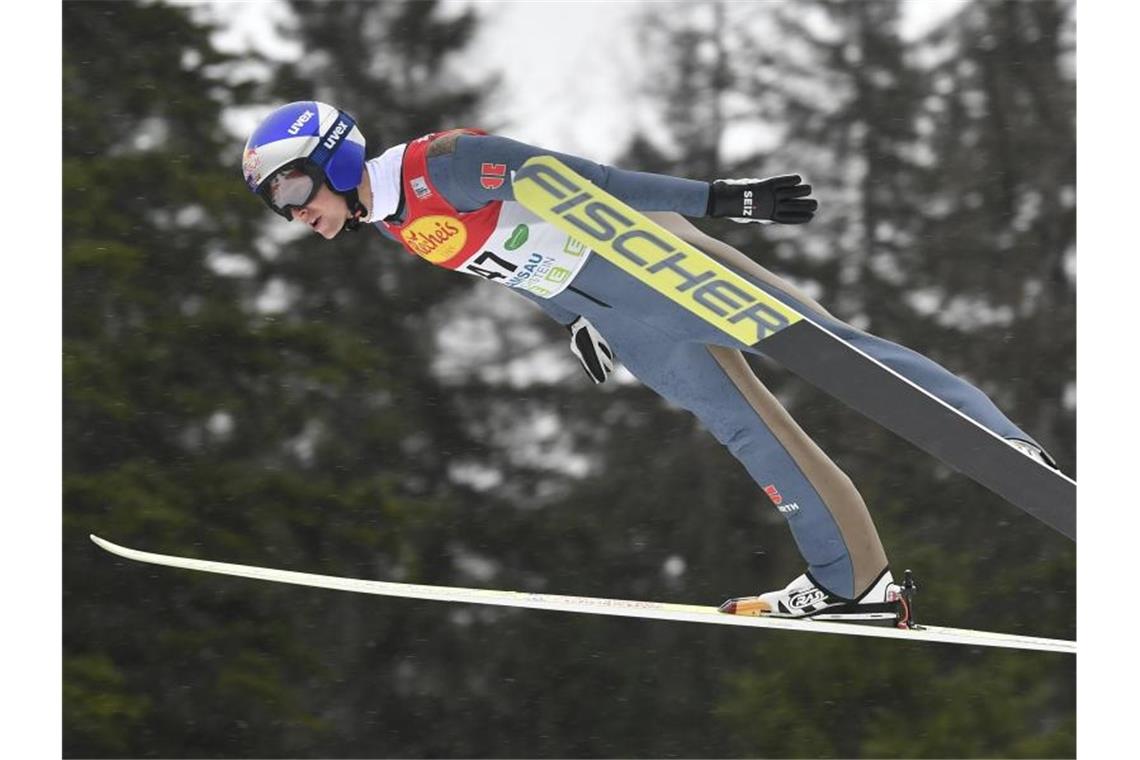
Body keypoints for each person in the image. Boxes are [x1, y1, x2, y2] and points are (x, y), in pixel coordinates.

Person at [241, 101, 1057, 621]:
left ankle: (998, 442)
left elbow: (580, 183)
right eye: (278, 206)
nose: (294, 215)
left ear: (337, 156)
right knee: (752, 435)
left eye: (292, 191)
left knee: (838, 350)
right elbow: (515, 263)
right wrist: (573, 322)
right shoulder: (395, 222)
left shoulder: (439, 164)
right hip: (624, 320)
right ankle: (855, 585)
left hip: (652, 264)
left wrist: (721, 198)